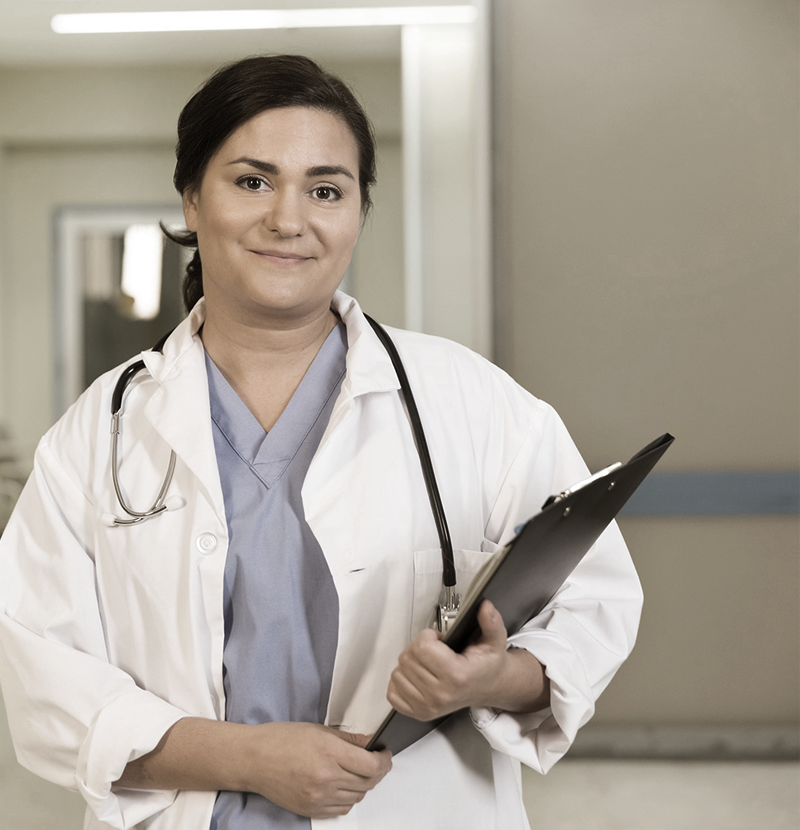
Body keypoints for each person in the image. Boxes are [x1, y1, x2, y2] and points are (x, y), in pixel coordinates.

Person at [0, 55, 642, 829]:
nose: (289, 219)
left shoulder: (471, 402)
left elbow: (591, 608)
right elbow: (45, 681)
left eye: (326, 189)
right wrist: (246, 759)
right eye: (252, 181)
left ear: (356, 216)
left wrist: (487, 680)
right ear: (192, 201)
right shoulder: (100, 431)